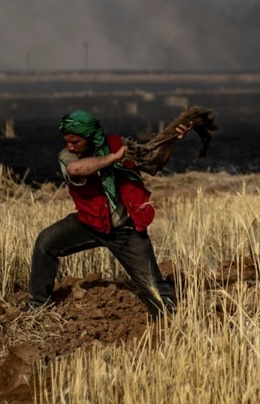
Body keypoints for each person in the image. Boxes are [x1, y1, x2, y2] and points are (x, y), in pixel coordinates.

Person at [27, 110, 192, 319]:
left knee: (153, 285)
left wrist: (171, 141)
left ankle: (170, 322)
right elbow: (77, 170)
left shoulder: (119, 144)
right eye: (67, 141)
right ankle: (37, 303)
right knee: (46, 242)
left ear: (90, 136)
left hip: (125, 229)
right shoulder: (68, 156)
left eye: (75, 141)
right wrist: (114, 158)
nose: (70, 146)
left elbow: (153, 164)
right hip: (89, 223)